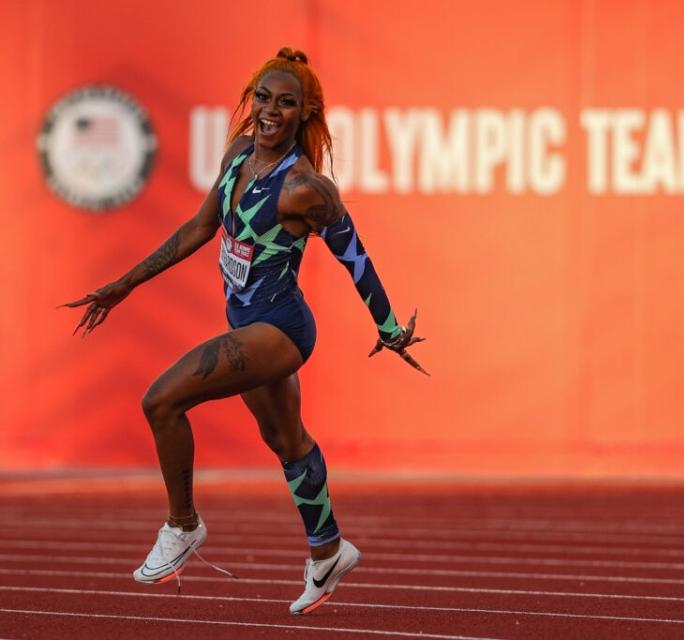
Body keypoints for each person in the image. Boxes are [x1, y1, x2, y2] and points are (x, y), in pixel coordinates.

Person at [62, 47, 427, 615]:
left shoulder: (305, 187)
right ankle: (327, 550)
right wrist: (125, 283)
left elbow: (355, 257)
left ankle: (182, 526)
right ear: (250, 99)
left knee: (160, 401)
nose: (270, 111)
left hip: (278, 329)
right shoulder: (238, 155)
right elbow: (200, 228)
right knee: (287, 442)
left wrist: (389, 327)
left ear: (305, 114)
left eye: (286, 104)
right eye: (263, 97)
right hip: (245, 320)